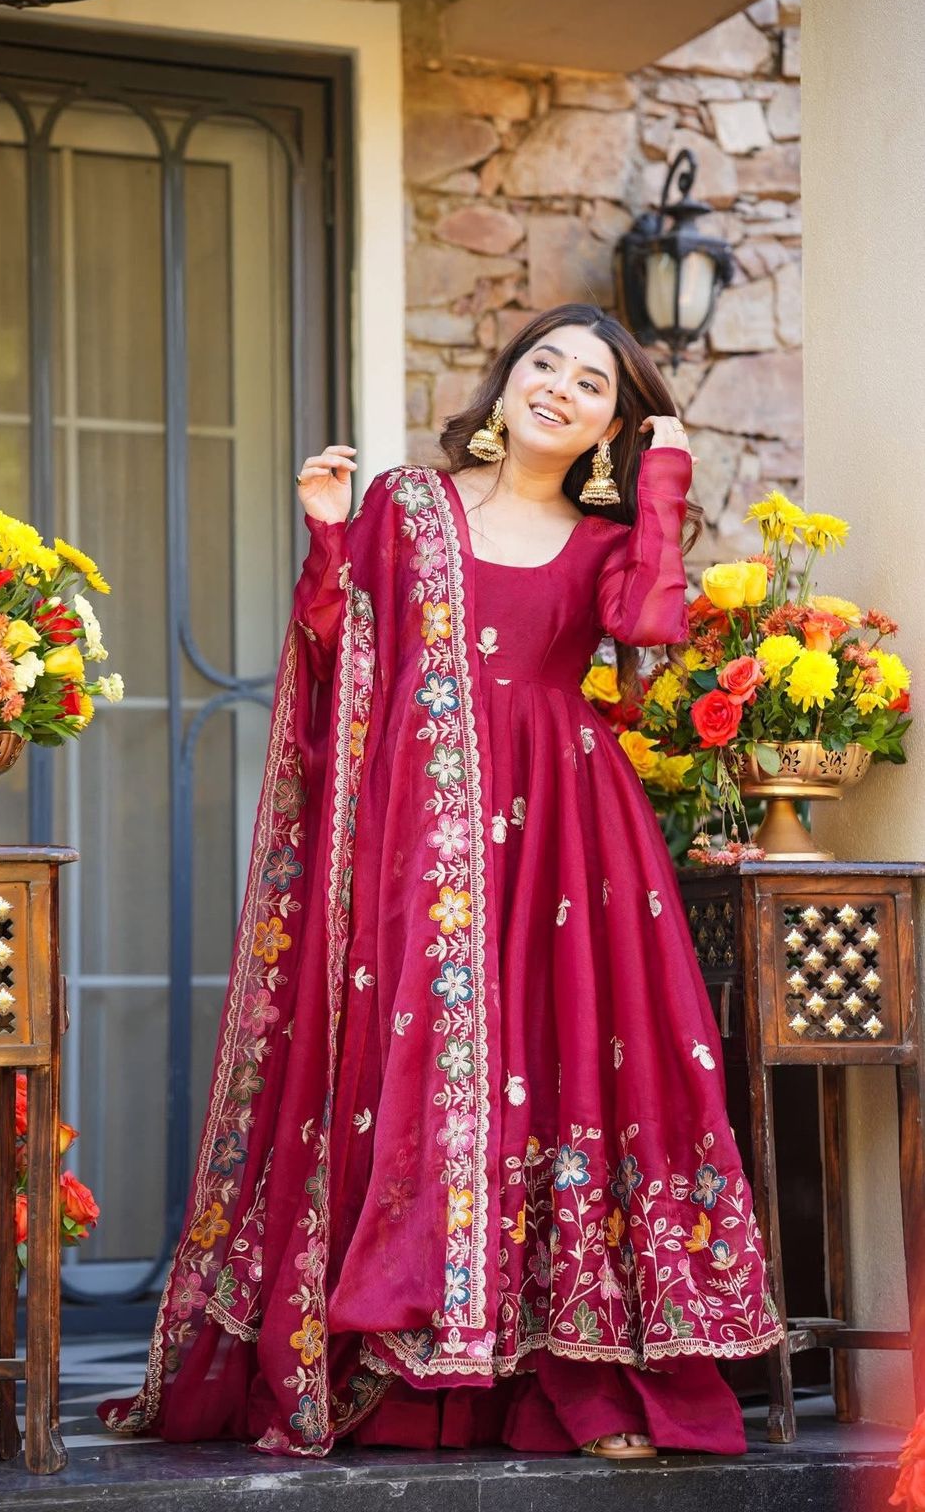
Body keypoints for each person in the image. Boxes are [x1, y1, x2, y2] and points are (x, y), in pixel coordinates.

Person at [101, 303, 782, 1461]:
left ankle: (576, 1371)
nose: (559, 388)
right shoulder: (405, 509)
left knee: (560, 1064)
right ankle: (406, 1358)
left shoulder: (607, 540)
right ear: (508, 379)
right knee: (414, 1064)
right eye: (545, 364)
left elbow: (650, 622)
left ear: (616, 429)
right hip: (419, 837)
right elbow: (336, 642)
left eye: (595, 388)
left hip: (571, 840)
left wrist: (665, 480)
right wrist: (325, 533)